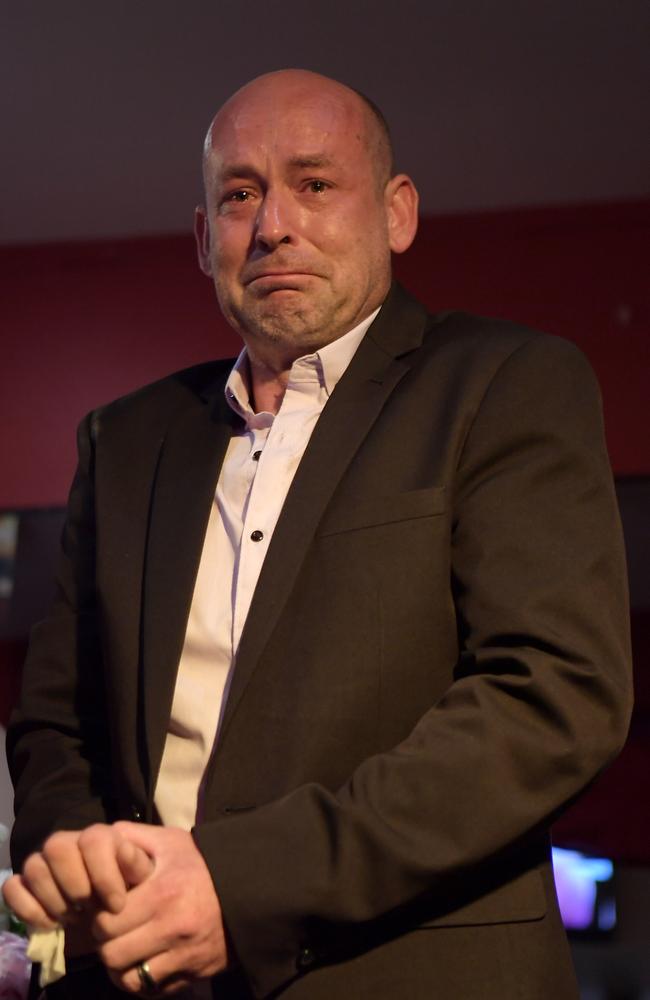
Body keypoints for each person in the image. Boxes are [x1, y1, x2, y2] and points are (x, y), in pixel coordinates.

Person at [3, 69, 632, 999]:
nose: (272, 226)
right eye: (240, 194)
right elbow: (58, 721)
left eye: (316, 183)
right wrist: (77, 862)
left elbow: (552, 699)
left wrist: (237, 883)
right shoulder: (125, 439)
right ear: (203, 236)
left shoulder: (504, 385)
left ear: (398, 213)